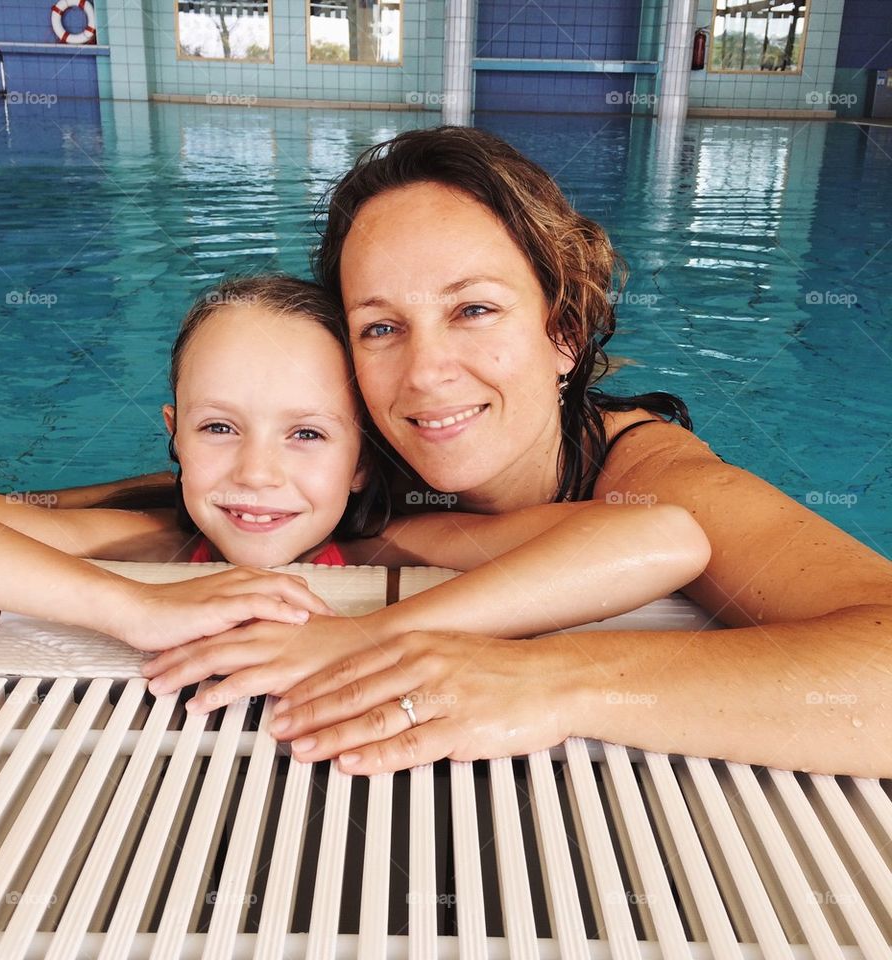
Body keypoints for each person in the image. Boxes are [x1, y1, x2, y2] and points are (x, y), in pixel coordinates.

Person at [145, 127, 892, 779]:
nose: (425, 373)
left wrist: (553, 679)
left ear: (563, 331)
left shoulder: (650, 479)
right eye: (380, 327)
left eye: (473, 310)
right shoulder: (341, 462)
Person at [0, 274, 710, 660]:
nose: (257, 474)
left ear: (365, 462)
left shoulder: (392, 544)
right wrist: (129, 609)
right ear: (173, 435)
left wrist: (370, 635)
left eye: (306, 435)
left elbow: (663, 536)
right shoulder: (150, 542)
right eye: (218, 427)